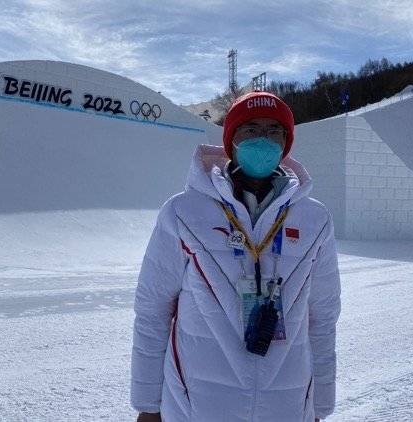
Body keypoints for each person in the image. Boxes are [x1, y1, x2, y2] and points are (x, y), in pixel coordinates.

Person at [130, 91, 341, 421]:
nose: (263, 140)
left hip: (286, 407)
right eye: (251, 129)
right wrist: (147, 405)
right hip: (196, 408)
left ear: (286, 142)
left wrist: (321, 406)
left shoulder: (314, 220)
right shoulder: (184, 212)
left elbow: (323, 318)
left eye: (274, 130)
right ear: (231, 140)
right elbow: (152, 310)